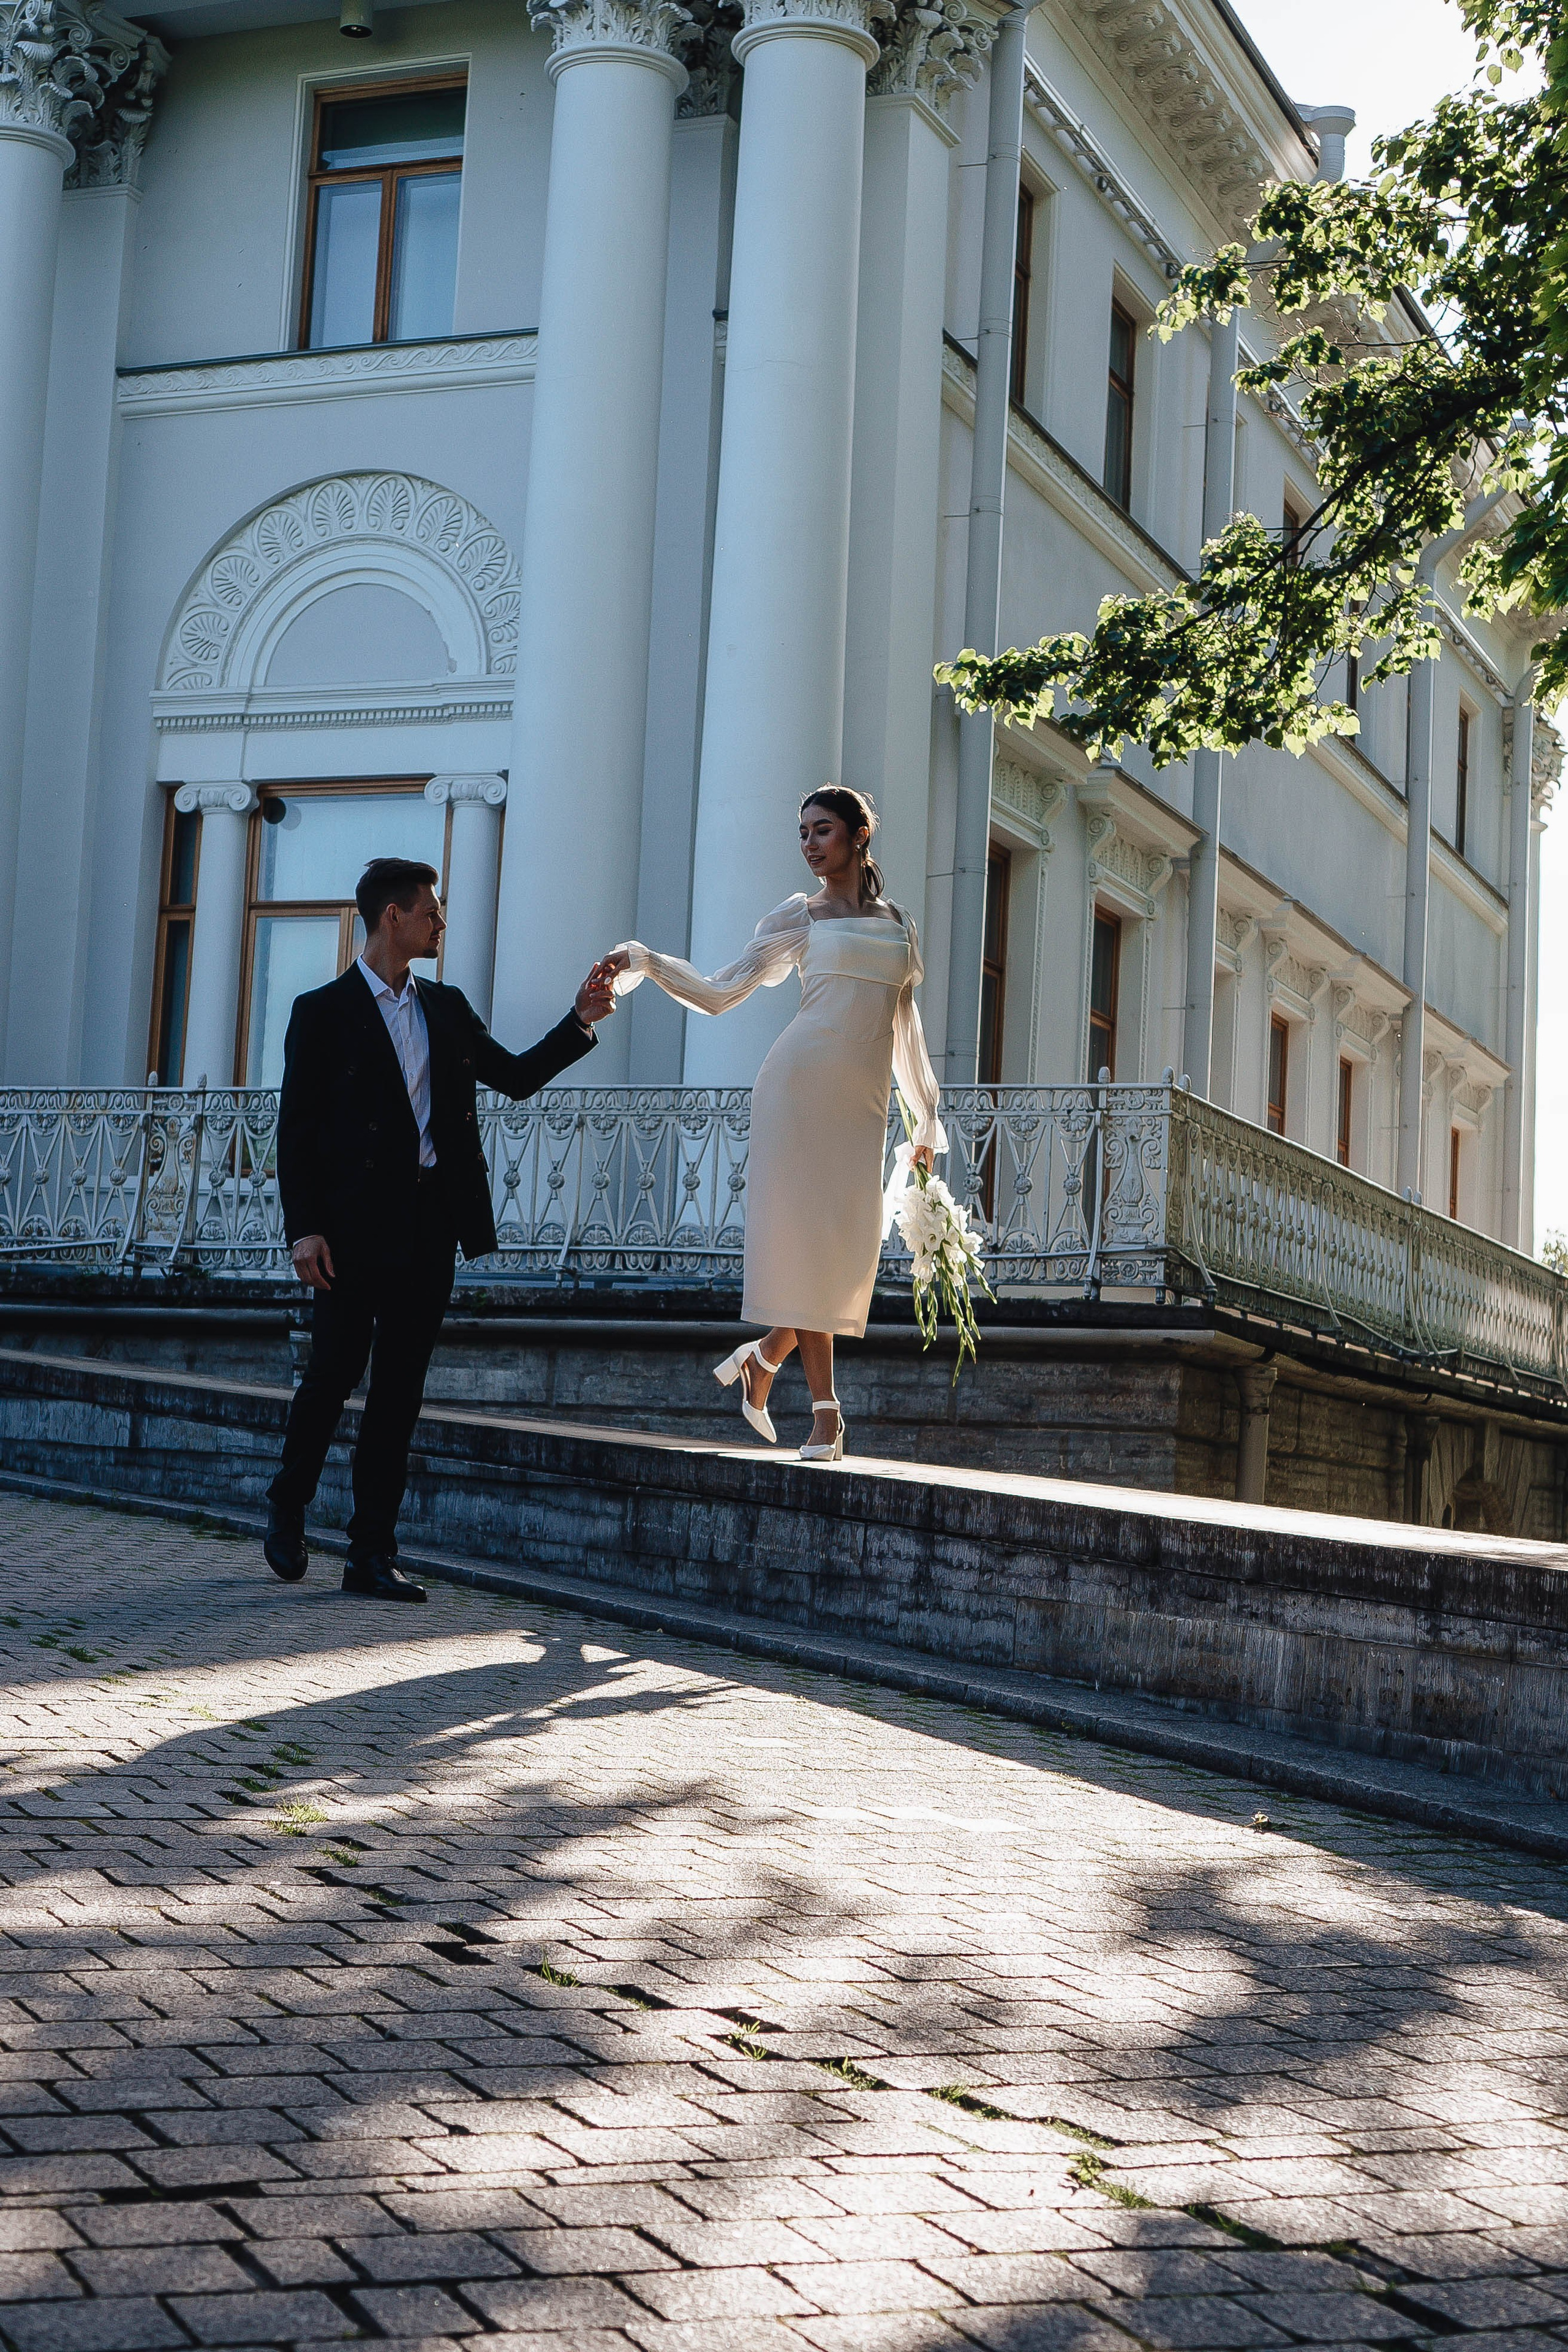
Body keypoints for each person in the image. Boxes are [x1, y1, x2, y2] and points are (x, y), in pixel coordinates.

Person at [265, 855, 616, 1601]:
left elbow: (515, 1078)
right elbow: (294, 1133)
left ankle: (371, 1553)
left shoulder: (446, 1008)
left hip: (431, 1224)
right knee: (331, 1374)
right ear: (392, 917)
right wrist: (305, 1229)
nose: (440, 922)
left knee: (399, 1392)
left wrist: (579, 1020)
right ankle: (288, 1506)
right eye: (430, 911)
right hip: (351, 1231)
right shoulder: (321, 1013)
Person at [602, 787, 944, 1460]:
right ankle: (826, 1416)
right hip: (798, 1088)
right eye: (803, 833)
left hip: (863, 1102)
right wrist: (644, 960)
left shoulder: (899, 921)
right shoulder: (800, 915)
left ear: (858, 834)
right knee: (809, 1249)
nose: (810, 844)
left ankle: (763, 1359)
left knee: (845, 1254)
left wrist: (926, 1118)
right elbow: (721, 991)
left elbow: (905, 1028)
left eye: (823, 831)